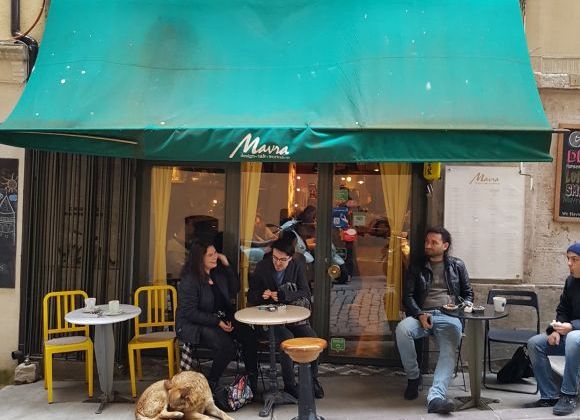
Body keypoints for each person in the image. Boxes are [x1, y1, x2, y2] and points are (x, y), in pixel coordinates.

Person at [395, 226, 473, 414]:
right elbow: (408, 297)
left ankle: (436, 397)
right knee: (402, 330)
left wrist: (461, 308)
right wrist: (420, 314)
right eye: (427, 242)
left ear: (445, 246)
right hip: (423, 314)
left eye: (433, 242)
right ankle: (414, 377)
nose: (428, 245)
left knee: (448, 348)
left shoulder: (457, 266)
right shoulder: (416, 266)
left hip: (450, 316)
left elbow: (468, 294)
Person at [175, 239, 259, 395]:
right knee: (227, 347)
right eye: (210, 255)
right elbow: (190, 313)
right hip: (195, 324)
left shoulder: (217, 273)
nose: (215, 257)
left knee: (249, 336)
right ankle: (211, 384)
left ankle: (251, 381)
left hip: (220, 318)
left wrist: (227, 265)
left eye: (215, 253)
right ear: (200, 259)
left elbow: (235, 288)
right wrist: (217, 322)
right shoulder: (190, 280)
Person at [247, 237, 324, 399]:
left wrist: (284, 295)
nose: (278, 263)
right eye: (275, 258)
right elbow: (251, 296)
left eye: (283, 260)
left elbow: (305, 292)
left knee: (311, 337)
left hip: (292, 318)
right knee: (286, 338)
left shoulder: (296, 266)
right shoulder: (262, 267)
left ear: (290, 258)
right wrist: (262, 295)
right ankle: (290, 385)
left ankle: (312, 379)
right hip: (269, 320)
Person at [526, 242, 580, 416]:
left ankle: (569, 395)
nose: (569, 263)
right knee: (535, 343)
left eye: (574, 259)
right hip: (570, 332)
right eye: (568, 258)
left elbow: (571, 328)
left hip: (574, 335)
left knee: (573, 338)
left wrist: (572, 326)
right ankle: (549, 395)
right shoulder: (570, 281)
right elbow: (562, 310)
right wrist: (555, 331)